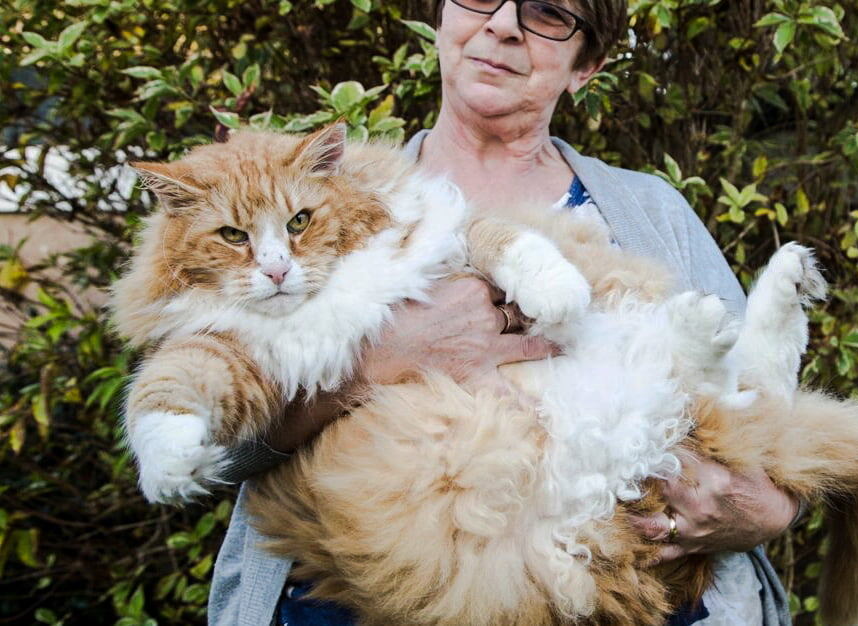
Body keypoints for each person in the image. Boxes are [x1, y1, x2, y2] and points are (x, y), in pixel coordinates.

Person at [208, 1, 800, 624]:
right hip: (365, 592)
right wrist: (371, 368)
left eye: (547, 12)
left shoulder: (650, 210)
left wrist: (764, 513)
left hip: (625, 587)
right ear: (441, 18)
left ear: (586, 66)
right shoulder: (315, 201)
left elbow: (769, 428)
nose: (502, 24)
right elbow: (203, 444)